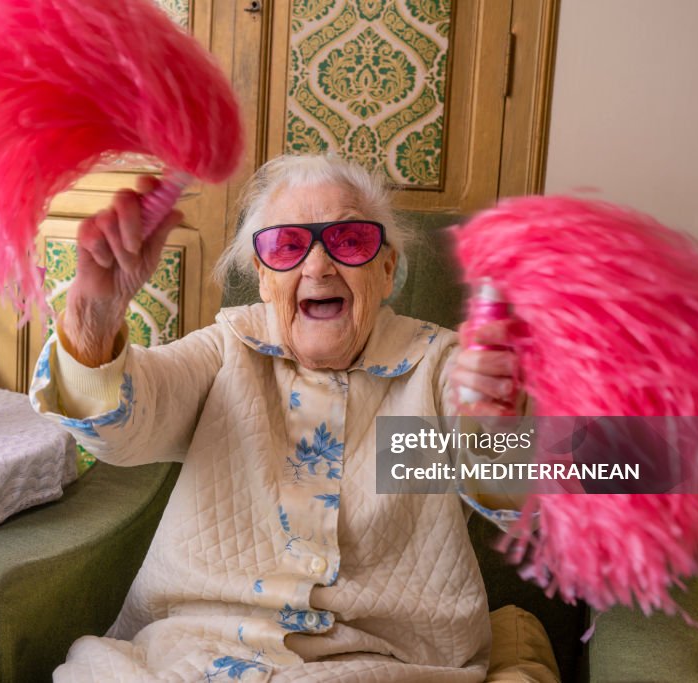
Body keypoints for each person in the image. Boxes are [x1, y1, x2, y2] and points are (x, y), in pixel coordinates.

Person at [30, 154, 559, 682]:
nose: (318, 266)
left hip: (381, 665)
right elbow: (120, 425)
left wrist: (496, 430)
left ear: (387, 267)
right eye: (287, 246)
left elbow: (588, 474)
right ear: (262, 277)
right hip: (193, 654)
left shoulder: (437, 366)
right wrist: (91, 321)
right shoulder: (226, 351)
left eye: (349, 241)